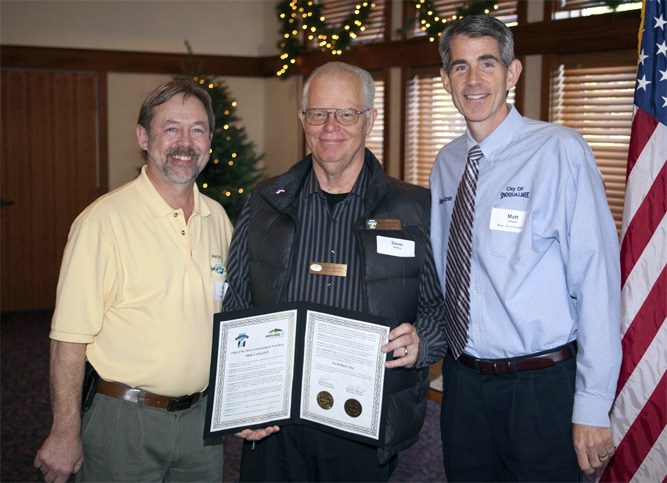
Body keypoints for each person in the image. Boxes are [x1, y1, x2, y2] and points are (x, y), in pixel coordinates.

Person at [421, 15, 622, 482]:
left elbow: (597, 282)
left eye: (487, 63)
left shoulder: (559, 151)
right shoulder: (448, 163)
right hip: (464, 383)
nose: (473, 80)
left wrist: (592, 404)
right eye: (460, 66)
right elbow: (443, 272)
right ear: (446, 79)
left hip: (540, 387)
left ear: (512, 73)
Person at [222, 61, 445, 481]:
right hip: (276, 423)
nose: (331, 127)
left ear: (369, 119)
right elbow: (237, 304)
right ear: (302, 118)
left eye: (346, 113)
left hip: (363, 424)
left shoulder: (415, 209)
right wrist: (239, 401)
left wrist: (423, 340)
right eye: (318, 113)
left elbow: (441, 307)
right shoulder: (264, 202)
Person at [33, 79, 234, 482]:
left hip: (202, 426)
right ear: (144, 136)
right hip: (124, 422)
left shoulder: (220, 220)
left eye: (197, 129)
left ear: (210, 141)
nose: (185, 142)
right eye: (171, 128)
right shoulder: (102, 223)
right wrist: (64, 432)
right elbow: (68, 341)